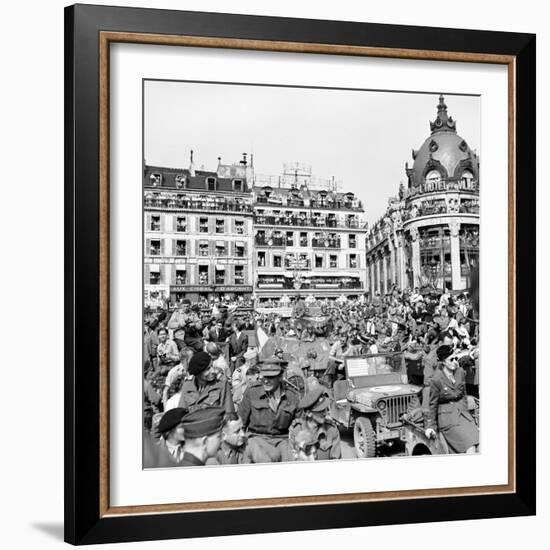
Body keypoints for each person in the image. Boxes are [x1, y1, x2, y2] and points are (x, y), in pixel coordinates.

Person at [238, 357, 301, 463]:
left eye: (271, 377)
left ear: (280, 377)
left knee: (290, 462)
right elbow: (240, 423)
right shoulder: (252, 392)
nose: (266, 381)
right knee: (263, 460)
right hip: (257, 437)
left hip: (282, 440)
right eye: (264, 376)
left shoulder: (293, 396)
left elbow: (300, 425)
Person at [425, 345, 479, 454]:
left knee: (480, 445)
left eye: (456, 358)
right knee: (470, 448)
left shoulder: (460, 372)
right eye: (451, 359)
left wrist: (465, 411)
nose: (455, 362)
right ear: (443, 362)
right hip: (448, 420)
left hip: (463, 416)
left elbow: (463, 395)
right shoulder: (437, 380)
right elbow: (432, 405)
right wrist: (430, 426)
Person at [289, 385, 341, 460]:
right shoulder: (296, 431)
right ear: (308, 413)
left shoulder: (331, 430)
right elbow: (293, 460)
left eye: (325, 409)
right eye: (320, 411)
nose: (325, 413)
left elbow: (336, 461)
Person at [177, 351, 235, 417]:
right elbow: (180, 413)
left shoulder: (221, 384)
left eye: (212, 366)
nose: (213, 371)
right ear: (198, 373)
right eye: (208, 369)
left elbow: (229, 413)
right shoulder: (187, 386)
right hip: (192, 425)